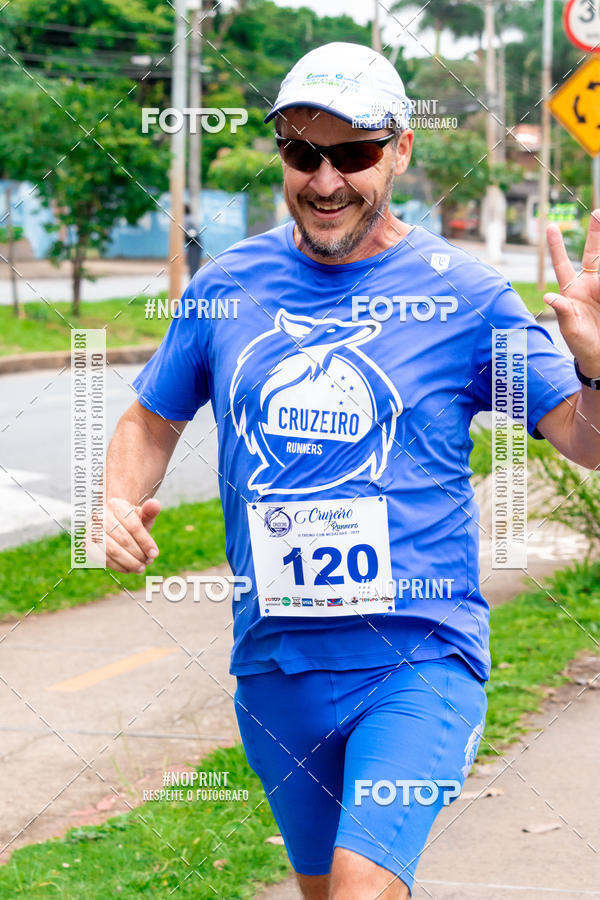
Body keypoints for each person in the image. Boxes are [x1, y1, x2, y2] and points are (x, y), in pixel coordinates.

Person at [100, 42, 600, 899]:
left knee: (362, 887)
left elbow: (584, 439)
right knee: (327, 890)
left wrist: (595, 365)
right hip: (275, 664)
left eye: (355, 153)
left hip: (419, 658)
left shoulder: (465, 296)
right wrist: (112, 500)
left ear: (401, 149)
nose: (325, 180)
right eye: (302, 152)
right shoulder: (228, 286)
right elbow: (152, 416)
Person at [184, 203, 203, 276]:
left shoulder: (186, 219)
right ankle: (194, 279)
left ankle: (193, 280)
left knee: (193, 264)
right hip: (195, 243)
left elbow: (190, 233)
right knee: (194, 264)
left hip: (194, 244)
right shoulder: (189, 218)